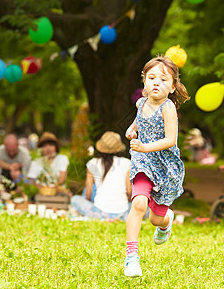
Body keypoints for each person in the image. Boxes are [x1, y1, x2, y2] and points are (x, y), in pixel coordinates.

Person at [124, 56, 190, 277]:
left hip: (165, 165)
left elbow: (171, 140)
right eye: (151, 78)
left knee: (154, 218)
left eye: (163, 79)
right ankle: (131, 257)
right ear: (144, 82)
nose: (156, 83)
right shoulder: (140, 103)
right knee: (139, 204)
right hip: (143, 161)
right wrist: (131, 130)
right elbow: (138, 120)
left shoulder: (168, 107)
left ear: (172, 87)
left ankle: (166, 220)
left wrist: (145, 145)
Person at [70, 131, 132, 220]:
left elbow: (88, 194)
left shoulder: (92, 163)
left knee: (75, 199)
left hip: (99, 211)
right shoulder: (127, 163)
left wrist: (90, 204)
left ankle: (99, 216)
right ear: (119, 148)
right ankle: (121, 217)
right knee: (142, 205)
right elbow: (129, 192)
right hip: (122, 211)